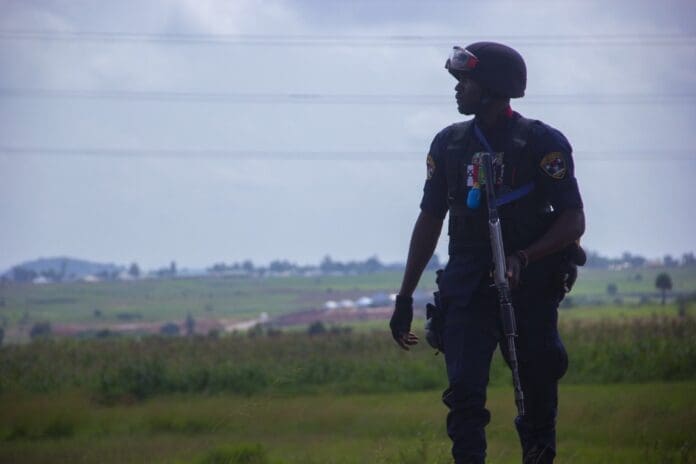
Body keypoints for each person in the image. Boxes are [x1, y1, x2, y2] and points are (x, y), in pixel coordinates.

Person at [389, 42, 585, 464]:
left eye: (467, 81)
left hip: (528, 287)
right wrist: (404, 298)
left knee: (536, 394)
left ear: (495, 87)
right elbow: (429, 221)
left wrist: (524, 257)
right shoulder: (448, 145)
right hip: (466, 288)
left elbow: (573, 221)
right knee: (463, 397)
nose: (458, 89)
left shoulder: (541, 142)